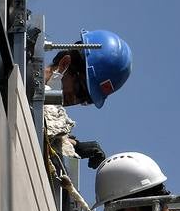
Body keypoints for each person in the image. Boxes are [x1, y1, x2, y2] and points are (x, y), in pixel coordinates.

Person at [42, 30, 131, 169]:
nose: (75, 99)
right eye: (80, 89)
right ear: (65, 64)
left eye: (85, 99)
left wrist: (75, 146)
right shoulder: (19, 74)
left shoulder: (50, 121)